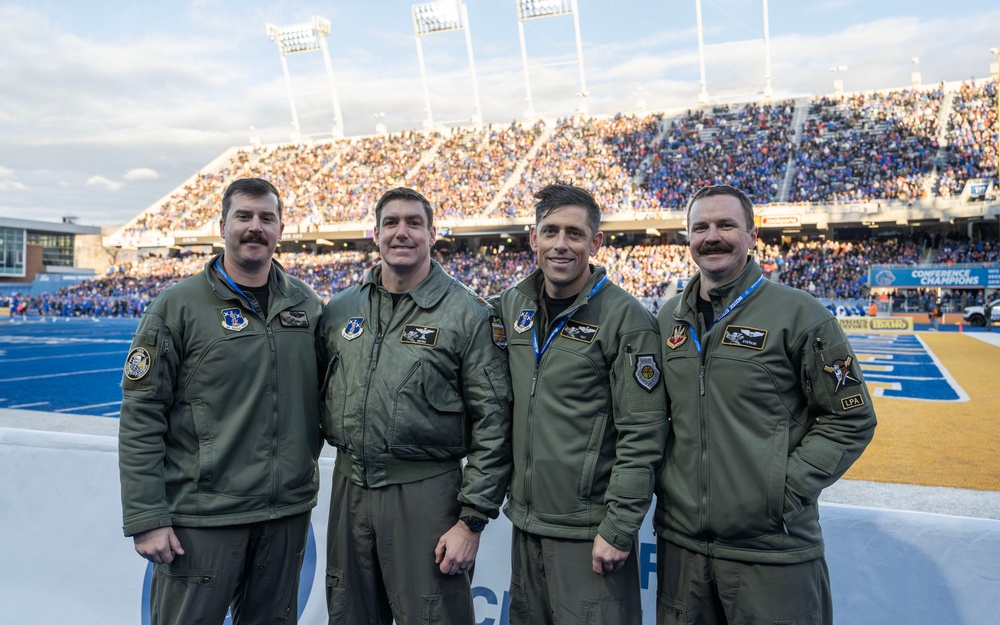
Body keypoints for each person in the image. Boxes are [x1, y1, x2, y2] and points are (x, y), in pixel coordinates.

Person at [654, 184, 877, 625]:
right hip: (683, 553)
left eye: (726, 225)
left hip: (772, 553)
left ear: (753, 235)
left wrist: (779, 494)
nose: (711, 236)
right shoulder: (666, 320)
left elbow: (850, 418)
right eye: (700, 227)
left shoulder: (801, 314)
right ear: (688, 238)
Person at [118, 178, 325, 624]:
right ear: (223, 225)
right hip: (206, 516)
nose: (255, 227)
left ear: (281, 229)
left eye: (266, 218)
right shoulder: (177, 306)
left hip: (285, 514)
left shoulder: (306, 304)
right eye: (244, 216)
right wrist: (145, 516)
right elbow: (141, 414)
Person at [319, 186, 512, 625]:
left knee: (432, 617)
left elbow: (495, 424)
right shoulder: (340, 310)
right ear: (375, 234)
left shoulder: (469, 314)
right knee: (348, 613)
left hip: (427, 493)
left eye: (413, 223)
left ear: (432, 233)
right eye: (391, 223)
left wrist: (471, 522)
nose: (401, 233)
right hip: (350, 490)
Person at [496, 183, 669, 624]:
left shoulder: (626, 319)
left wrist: (618, 527)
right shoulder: (513, 305)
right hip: (527, 525)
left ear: (595, 243)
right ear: (533, 238)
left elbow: (644, 433)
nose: (560, 244)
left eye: (574, 234)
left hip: (590, 534)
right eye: (550, 231)